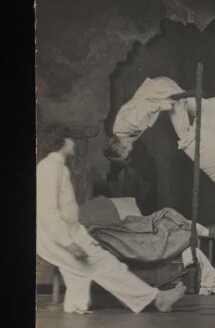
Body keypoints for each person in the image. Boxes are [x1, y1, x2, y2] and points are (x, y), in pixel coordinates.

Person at [36, 125, 186, 314]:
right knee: (106, 266)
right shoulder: (50, 167)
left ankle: (74, 307)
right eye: (71, 140)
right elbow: (47, 211)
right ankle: (157, 299)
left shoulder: (56, 167)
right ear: (62, 142)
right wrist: (69, 243)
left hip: (67, 234)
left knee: (81, 272)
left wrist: (80, 235)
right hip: (53, 238)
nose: (74, 144)